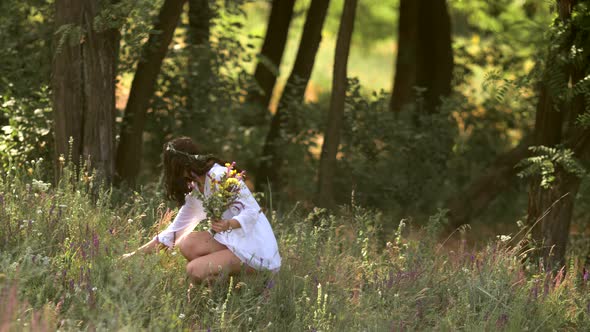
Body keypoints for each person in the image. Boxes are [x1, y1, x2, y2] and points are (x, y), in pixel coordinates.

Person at [123, 137, 281, 282]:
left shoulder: (220, 176)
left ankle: (258, 279)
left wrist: (228, 224)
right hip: (233, 242)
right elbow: (174, 233)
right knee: (187, 243)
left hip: (255, 248)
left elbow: (253, 211)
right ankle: (229, 285)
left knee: (194, 270)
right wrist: (133, 256)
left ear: (179, 164)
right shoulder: (197, 189)